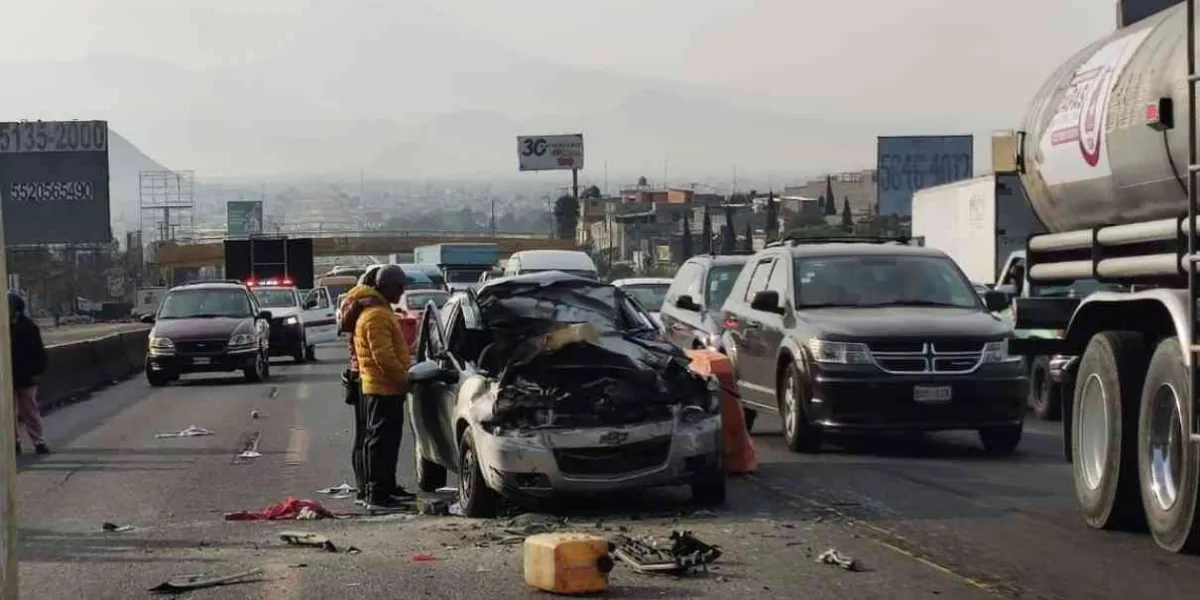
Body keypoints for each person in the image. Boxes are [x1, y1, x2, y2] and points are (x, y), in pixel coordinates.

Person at [353, 265, 414, 509]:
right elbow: (384, 357)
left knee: (387, 443)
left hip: (385, 387)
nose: (402, 292)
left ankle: (386, 488)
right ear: (385, 287)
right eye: (398, 287)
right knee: (380, 444)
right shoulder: (377, 315)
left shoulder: (380, 310)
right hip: (382, 388)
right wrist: (405, 378)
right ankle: (378, 495)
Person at [339, 265, 383, 506]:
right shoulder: (358, 301)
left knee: (366, 434)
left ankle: (366, 486)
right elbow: (344, 326)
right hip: (361, 375)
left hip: (359, 372)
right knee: (365, 436)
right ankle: (364, 487)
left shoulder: (359, 300)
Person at [10, 292, 47, 455]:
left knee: (29, 411)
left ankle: (38, 441)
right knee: (7, 413)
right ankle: (13, 442)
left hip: (26, 376)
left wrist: (37, 372)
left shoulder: (29, 326)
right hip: (7, 376)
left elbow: (39, 352)